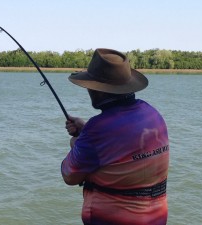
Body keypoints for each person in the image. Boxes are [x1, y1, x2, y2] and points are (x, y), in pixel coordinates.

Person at [61, 48, 169, 225]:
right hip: (155, 219)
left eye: (90, 85)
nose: (88, 90)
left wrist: (76, 142)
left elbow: (69, 176)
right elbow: (124, 141)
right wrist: (86, 129)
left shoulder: (97, 130)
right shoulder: (152, 113)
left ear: (100, 90)